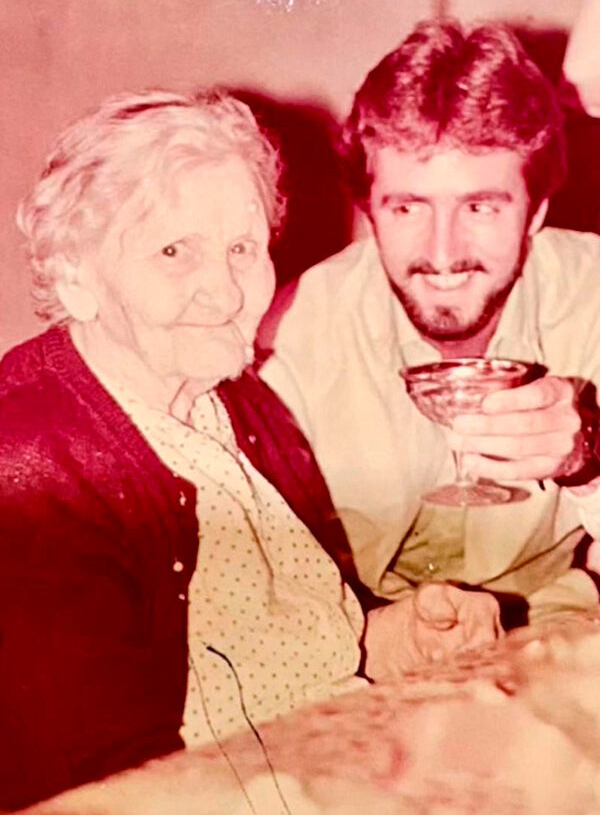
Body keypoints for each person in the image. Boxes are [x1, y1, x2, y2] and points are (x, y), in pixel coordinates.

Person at [1, 88, 493, 811]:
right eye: (174, 252)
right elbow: (107, 786)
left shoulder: (238, 407)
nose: (226, 293)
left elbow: (282, 654)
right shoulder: (30, 462)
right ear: (76, 277)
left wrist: (396, 639)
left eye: (241, 249)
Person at [260, 19, 600, 646]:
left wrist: (588, 460)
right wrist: (373, 641)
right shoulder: (289, 335)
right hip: (355, 643)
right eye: (408, 207)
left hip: (552, 631)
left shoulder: (593, 298)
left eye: (480, 207)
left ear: (536, 213)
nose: (443, 254)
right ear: (370, 211)